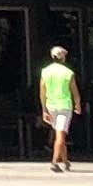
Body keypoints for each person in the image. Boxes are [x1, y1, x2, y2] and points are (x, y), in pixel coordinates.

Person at [37, 43, 79, 172]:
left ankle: (65, 161)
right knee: (60, 135)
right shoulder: (68, 72)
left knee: (59, 133)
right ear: (63, 58)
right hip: (64, 105)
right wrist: (78, 104)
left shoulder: (45, 71)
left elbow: (42, 92)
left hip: (51, 105)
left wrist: (44, 110)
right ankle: (55, 161)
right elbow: (74, 90)